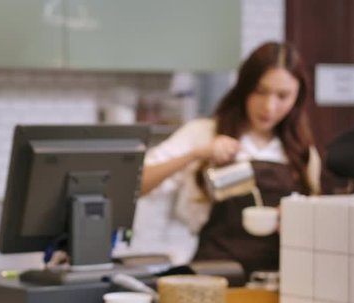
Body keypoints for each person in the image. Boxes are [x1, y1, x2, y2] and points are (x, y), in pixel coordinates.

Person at [134, 41, 321, 278]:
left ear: (298, 97)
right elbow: (134, 184)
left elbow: (317, 229)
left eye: (283, 96)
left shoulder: (302, 153)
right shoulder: (203, 133)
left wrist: (296, 219)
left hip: (280, 281)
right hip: (214, 277)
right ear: (244, 87)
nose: (269, 106)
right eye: (260, 91)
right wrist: (196, 154)